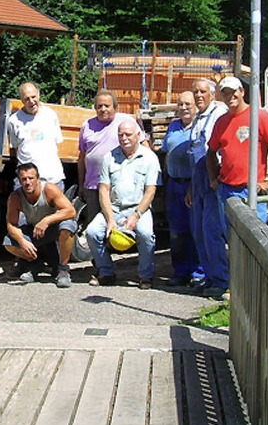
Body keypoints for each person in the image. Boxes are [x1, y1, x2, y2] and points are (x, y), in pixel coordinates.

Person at [205, 76, 268, 297]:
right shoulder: (222, 121)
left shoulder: (259, 117)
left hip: (251, 191)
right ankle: (238, 288)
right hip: (226, 189)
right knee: (232, 241)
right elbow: (211, 151)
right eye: (225, 93)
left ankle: (258, 290)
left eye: (234, 92)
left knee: (256, 241)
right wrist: (214, 177)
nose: (230, 97)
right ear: (221, 96)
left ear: (242, 92)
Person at [85, 118, 162, 289]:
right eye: (120, 135)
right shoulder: (109, 157)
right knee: (91, 232)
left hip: (138, 208)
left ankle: (145, 275)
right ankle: (106, 271)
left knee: (146, 234)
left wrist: (136, 216)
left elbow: (150, 191)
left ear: (138, 135)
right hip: (114, 208)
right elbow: (104, 189)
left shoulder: (149, 158)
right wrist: (110, 219)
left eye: (128, 134)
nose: (124, 138)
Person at [186, 78, 228, 295]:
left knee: (212, 233)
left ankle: (221, 281)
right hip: (198, 182)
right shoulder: (198, 119)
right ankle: (210, 277)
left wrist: (214, 178)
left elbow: (216, 151)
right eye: (195, 92)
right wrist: (192, 188)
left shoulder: (217, 115)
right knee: (199, 233)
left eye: (202, 92)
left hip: (211, 182)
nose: (198, 96)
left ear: (212, 94)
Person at [4, 162, 76, 288]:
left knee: (68, 226)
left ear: (37, 179)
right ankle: (35, 263)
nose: (28, 182)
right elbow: (11, 224)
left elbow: (71, 211)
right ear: (19, 181)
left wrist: (46, 220)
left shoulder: (49, 189)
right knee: (8, 242)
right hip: (34, 230)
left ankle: (63, 270)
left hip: (53, 228)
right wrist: (22, 241)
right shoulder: (15, 197)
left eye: (31, 178)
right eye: (24, 179)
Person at [78, 90, 144, 222]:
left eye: (107, 106)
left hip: (117, 185)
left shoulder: (125, 122)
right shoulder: (87, 125)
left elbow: (144, 147)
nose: (103, 109)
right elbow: (82, 157)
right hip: (93, 185)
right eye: (99, 106)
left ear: (115, 107)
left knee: (116, 222)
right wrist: (81, 184)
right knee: (94, 223)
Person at [161, 91, 201, 287]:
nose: (184, 107)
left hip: (192, 184)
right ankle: (181, 272)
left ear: (195, 105)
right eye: (180, 104)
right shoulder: (174, 126)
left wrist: (192, 188)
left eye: (188, 104)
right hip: (174, 184)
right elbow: (166, 152)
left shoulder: (199, 127)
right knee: (177, 232)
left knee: (195, 230)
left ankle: (199, 273)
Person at [7, 82, 65, 188]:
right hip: (27, 182)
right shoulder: (14, 120)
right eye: (27, 99)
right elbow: (16, 149)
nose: (31, 101)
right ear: (21, 100)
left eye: (33, 97)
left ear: (38, 95)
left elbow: (57, 145)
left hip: (52, 179)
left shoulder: (51, 115)